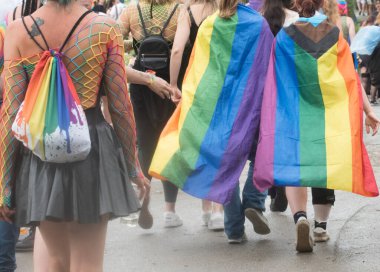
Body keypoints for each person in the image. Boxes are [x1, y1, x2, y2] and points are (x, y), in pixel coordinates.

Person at [0, 1, 150, 271]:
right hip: (92, 149)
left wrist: (5, 185)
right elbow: (120, 107)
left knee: (53, 258)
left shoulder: (17, 31)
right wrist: (133, 168)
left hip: (40, 152)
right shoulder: (104, 28)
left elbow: (10, 112)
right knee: (87, 262)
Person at [255, 0, 380, 253]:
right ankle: (320, 226)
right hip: (328, 114)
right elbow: (351, 76)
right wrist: (367, 110)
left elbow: (274, 79)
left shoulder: (284, 38)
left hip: (294, 114)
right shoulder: (335, 35)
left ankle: (300, 217)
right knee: (325, 165)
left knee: (297, 167)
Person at [118, 0, 184, 228]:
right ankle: (170, 210)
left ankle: (144, 194)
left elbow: (116, 41)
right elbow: (182, 46)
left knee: (145, 142)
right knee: (170, 142)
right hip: (170, 82)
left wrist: (136, 45)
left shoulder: (131, 10)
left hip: (141, 82)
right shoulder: (179, 9)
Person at [169, 0, 224, 230]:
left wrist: (173, 84)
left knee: (201, 144)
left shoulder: (187, 12)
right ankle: (220, 210)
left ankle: (206, 210)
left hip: (196, 85)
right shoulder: (224, 10)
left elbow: (177, 49)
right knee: (220, 144)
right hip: (222, 84)